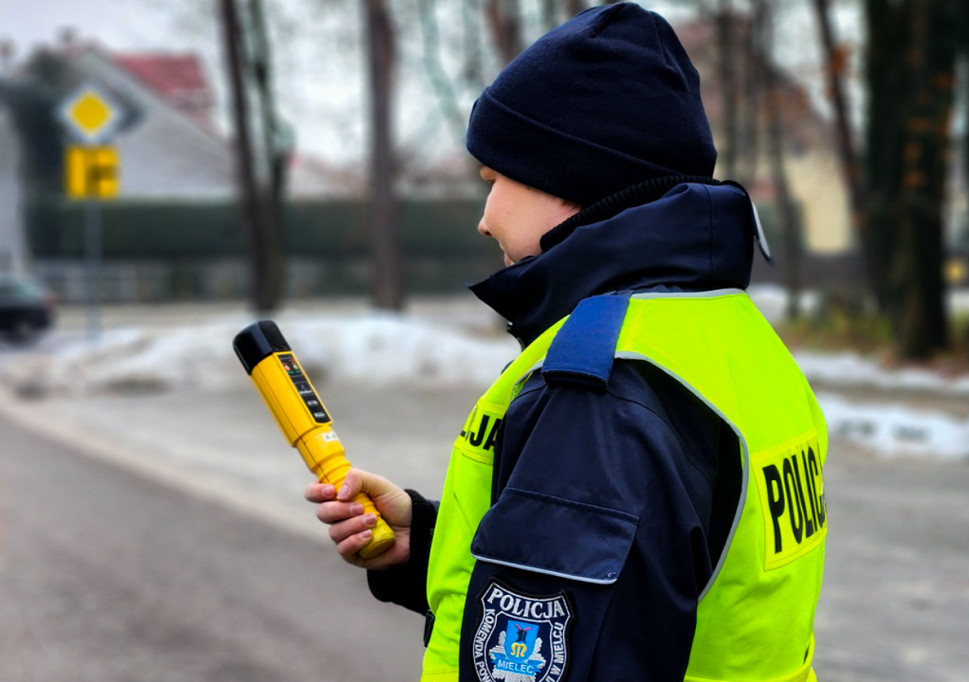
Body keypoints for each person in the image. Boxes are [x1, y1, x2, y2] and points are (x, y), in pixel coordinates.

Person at [306, 4, 828, 681]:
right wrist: (431, 546)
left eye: (496, 181)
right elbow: (661, 583)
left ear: (571, 180)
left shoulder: (601, 392)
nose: (484, 218)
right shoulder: (736, 337)